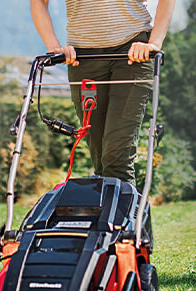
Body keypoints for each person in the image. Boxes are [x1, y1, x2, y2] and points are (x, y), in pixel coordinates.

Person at [30, 0, 176, 185]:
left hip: (133, 52)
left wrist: (154, 42)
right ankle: (109, 211)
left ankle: (122, 213)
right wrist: (54, 47)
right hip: (82, 58)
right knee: (99, 156)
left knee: (117, 157)